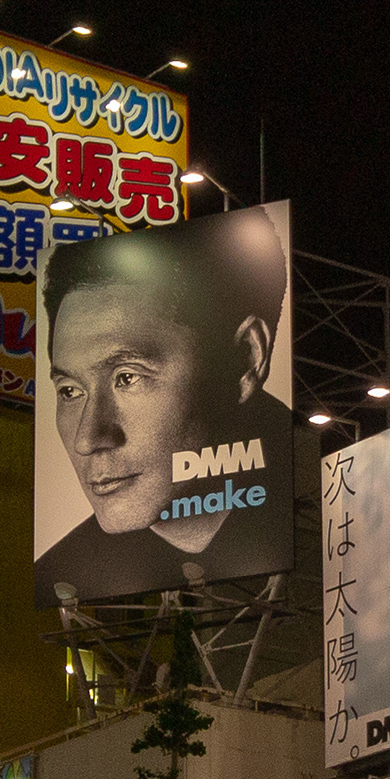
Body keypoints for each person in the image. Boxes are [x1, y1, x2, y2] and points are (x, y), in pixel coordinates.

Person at [35, 210, 297, 597]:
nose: (87, 439)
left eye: (128, 377)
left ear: (245, 360)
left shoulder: (329, 508)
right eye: (70, 391)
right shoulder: (62, 574)